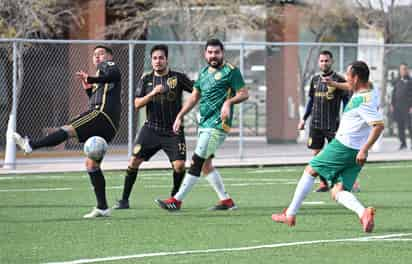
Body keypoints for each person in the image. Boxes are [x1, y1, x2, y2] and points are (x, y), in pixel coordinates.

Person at [272, 61, 384, 233]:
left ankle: (290, 214)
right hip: (355, 152)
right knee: (338, 191)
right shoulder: (370, 89)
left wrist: (365, 149)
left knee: (310, 170)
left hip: (344, 146)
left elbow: (378, 125)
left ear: (356, 78)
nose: (346, 78)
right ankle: (364, 213)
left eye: (348, 75)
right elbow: (350, 86)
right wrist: (335, 84)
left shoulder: (363, 101)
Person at [13, 45, 121, 218]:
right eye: (95, 55)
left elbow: (115, 75)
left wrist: (91, 79)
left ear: (109, 56)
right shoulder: (101, 78)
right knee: (91, 165)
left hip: (101, 115)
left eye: (101, 54)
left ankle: (31, 145)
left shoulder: (109, 66)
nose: (98, 57)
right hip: (108, 123)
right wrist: (88, 87)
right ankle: (102, 207)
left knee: (66, 129)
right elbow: (95, 98)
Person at [155, 38, 249, 211]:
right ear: (205, 54)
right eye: (210, 52)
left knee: (197, 161)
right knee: (206, 165)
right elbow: (194, 97)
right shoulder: (204, 72)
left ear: (222, 53)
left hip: (218, 125)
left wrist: (228, 102)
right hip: (204, 124)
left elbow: (244, 94)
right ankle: (226, 201)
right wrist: (180, 115)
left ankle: (176, 200)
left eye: (217, 52)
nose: (213, 55)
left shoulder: (231, 71)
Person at [113, 44, 193, 209]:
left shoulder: (178, 78)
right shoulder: (146, 79)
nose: (158, 61)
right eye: (155, 58)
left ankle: (174, 200)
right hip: (151, 129)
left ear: (166, 59)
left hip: (173, 131)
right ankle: (124, 200)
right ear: (151, 60)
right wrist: (152, 93)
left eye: (161, 58)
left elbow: (196, 91)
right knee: (134, 161)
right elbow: (136, 104)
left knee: (179, 166)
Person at [298, 50, 350, 192]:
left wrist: (346, 117)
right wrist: (303, 119)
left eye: (326, 60)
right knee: (316, 155)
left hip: (332, 124)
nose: (324, 63)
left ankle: (346, 182)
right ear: (318, 62)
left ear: (331, 61)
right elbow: (311, 101)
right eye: (321, 61)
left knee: (337, 155)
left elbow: (346, 100)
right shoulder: (314, 80)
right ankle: (323, 183)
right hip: (315, 124)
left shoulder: (339, 80)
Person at [390, 63, 412, 150]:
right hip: (398, 107)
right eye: (401, 69)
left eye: (404, 69)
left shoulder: (410, 81)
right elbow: (393, 93)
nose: (403, 71)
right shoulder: (397, 81)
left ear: (407, 70)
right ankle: (403, 144)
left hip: (408, 108)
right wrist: (392, 104)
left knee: (410, 126)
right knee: (400, 126)